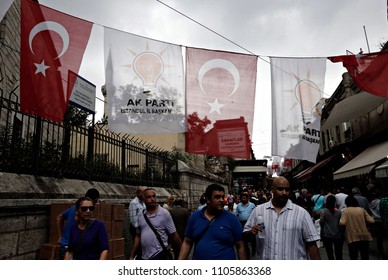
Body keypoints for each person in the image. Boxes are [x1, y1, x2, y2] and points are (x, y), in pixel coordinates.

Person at [243, 176, 321, 260]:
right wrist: (251, 232)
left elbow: (312, 245)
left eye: (287, 190)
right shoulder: (258, 211)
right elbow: (245, 235)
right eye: (280, 189)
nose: (284, 193)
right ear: (272, 190)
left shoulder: (302, 214)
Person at [178, 184, 247, 260]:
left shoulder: (232, 219)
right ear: (207, 199)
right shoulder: (194, 218)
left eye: (222, 197)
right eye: (217, 197)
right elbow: (187, 242)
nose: (221, 200)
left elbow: (240, 245)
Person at [129, 188, 181, 260]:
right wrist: (132, 255)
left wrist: (180, 255)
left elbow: (174, 234)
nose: (152, 199)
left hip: (160, 254)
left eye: (154, 196)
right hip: (145, 256)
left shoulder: (164, 214)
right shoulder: (141, 215)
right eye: (149, 197)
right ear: (143, 200)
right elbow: (138, 235)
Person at [56, 187, 100, 259]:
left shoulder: (74, 207)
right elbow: (76, 219)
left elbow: (59, 217)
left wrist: (60, 235)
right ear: (95, 200)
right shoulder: (86, 214)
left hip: (65, 247)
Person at [340, 195, 375, 260]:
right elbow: (372, 221)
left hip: (352, 236)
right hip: (363, 235)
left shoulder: (346, 211)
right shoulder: (362, 209)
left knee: (353, 256)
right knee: (365, 255)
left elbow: (342, 222)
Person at [319, 195, 344, 260]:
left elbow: (321, 222)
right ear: (334, 202)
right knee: (338, 253)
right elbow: (341, 223)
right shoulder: (339, 212)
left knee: (330, 253)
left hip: (327, 235)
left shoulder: (323, 211)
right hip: (338, 235)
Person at [235, 192, 256, 257]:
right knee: (244, 239)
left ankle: (254, 251)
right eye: (242, 198)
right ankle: (247, 253)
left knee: (253, 238)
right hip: (242, 223)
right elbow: (236, 215)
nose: (243, 199)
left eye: (245, 198)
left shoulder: (252, 205)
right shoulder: (238, 205)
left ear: (247, 198)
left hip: (250, 223)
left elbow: (255, 214)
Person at [128, 186, 146, 258]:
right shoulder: (134, 203)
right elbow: (133, 220)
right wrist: (140, 228)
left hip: (142, 229)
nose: (145, 195)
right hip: (136, 230)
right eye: (144, 193)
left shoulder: (143, 202)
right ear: (139, 193)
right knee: (138, 249)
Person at [369, 190, 385, 259]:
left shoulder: (372, 202)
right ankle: (381, 253)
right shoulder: (380, 202)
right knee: (381, 237)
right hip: (381, 220)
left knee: (379, 238)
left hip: (375, 221)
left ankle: (380, 252)